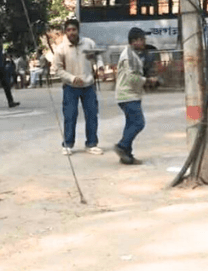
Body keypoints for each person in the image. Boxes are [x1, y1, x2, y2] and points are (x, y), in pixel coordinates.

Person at [53, 18, 104, 156]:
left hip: (88, 85)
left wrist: (100, 67)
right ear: (65, 32)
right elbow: (57, 69)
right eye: (68, 30)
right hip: (70, 87)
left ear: (78, 30)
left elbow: (98, 57)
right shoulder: (61, 49)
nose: (71, 33)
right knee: (70, 116)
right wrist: (71, 78)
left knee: (92, 115)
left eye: (74, 29)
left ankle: (91, 144)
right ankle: (68, 145)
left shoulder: (88, 43)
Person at [114, 27, 158, 165]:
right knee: (139, 123)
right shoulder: (128, 56)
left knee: (130, 124)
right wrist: (147, 80)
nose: (144, 41)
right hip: (127, 95)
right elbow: (131, 77)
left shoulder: (134, 54)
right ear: (134, 41)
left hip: (132, 94)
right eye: (142, 39)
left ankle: (127, 156)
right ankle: (122, 146)